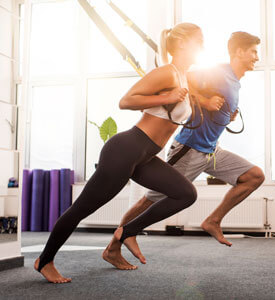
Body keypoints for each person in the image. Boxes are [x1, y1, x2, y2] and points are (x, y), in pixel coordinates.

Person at [34, 22, 204, 283]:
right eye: (198, 41)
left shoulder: (182, 78)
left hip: (145, 155)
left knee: (185, 193)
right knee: (81, 209)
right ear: (182, 43)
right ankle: (44, 260)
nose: (202, 47)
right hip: (126, 149)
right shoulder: (167, 73)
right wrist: (164, 99)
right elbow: (126, 101)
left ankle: (126, 232)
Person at [103, 31, 265, 270]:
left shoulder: (234, 80)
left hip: (211, 151)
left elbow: (211, 103)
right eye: (253, 52)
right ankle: (113, 247)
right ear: (239, 52)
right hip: (189, 149)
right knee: (150, 200)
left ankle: (213, 220)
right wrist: (205, 101)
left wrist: (224, 115)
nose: (256, 57)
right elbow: (183, 78)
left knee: (254, 176)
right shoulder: (220, 72)